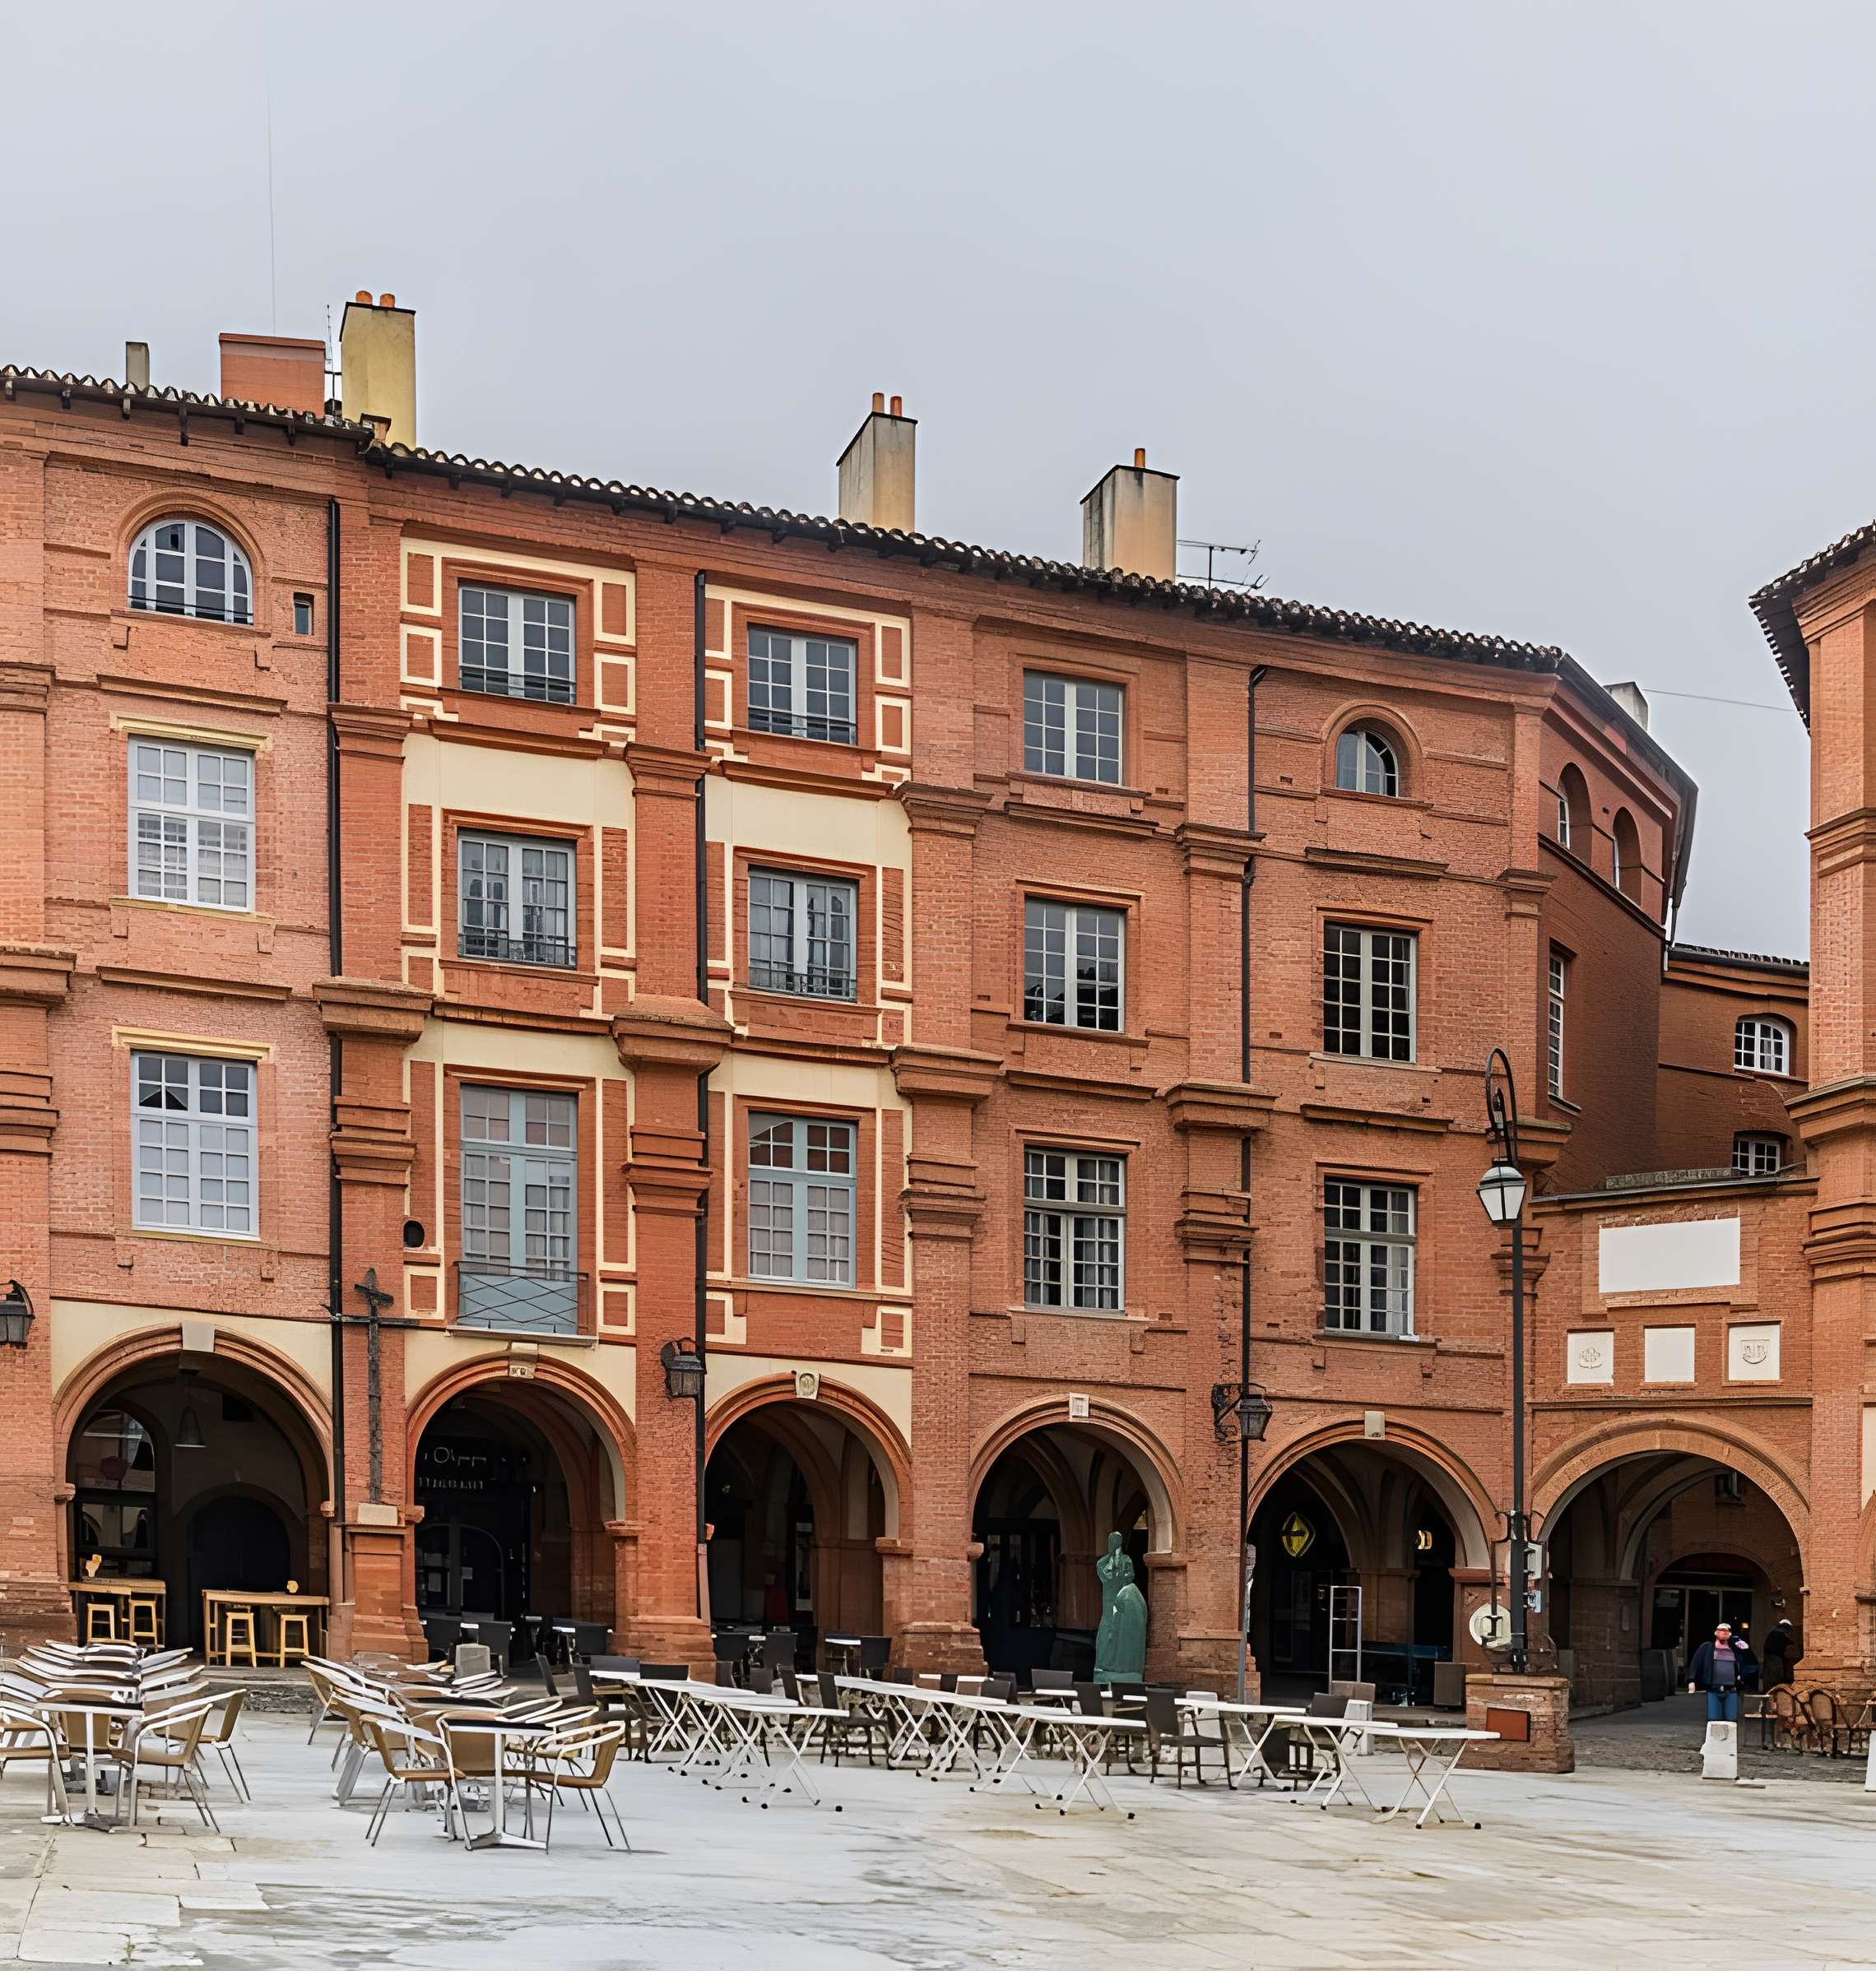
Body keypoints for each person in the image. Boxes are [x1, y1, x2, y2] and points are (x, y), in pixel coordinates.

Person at [1687, 1620, 1745, 1723]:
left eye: (1727, 1631)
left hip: (1731, 1690)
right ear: (1716, 1633)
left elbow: (1745, 1654)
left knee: (1731, 1721)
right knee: (1714, 1721)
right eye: (1722, 1630)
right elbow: (1696, 1662)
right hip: (1713, 1689)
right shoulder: (1708, 1647)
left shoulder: (1735, 1649)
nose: (1724, 1632)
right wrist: (1692, 1680)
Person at [1762, 1616, 1802, 1689]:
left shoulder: (1774, 1633)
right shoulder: (1782, 1634)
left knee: (1770, 1675)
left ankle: (1769, 1690)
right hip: (1775, 1657)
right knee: (1776, 1676)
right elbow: (1787, 1644)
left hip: (1770, 1656)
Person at [1731, 1620, 1760, 1692]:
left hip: (1745, 1668)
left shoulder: (1734, 1642)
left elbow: (1739, 1659)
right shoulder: (1742, 1643)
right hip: (1751, 1667)